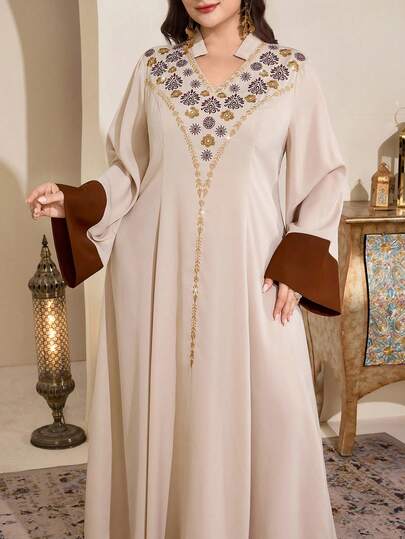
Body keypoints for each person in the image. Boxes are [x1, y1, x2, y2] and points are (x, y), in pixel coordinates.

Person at [26, 0, 347, 537]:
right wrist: (75, 201)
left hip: (251, 278)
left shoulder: (290, 71)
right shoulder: (156, 70)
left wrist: (298, 260)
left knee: (273, 413)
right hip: (155, 279)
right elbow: (130, 171)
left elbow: (323, 178)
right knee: (166, 415)